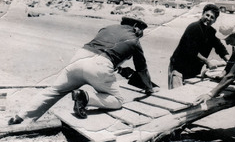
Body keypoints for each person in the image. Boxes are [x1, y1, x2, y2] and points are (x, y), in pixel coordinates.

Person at [8, 16, 154, 125]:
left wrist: (116, 68)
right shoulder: (135, 40)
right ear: (136, 26)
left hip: (79, 57)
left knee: (53, 90)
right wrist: (149, 89)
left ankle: (20, 117)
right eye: (142, 30)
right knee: (118, 100)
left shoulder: (107, 28)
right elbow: (142, 68)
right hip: (100, 65)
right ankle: (85, 97)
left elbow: (101, 49)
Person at [168, 4, 229, 89]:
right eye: (207, 15)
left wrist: (229, 61)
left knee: (189, 91)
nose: (208, 19)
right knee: (177, 93)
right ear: (202, 14)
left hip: (194, 68)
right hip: (179, 67)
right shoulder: (193, 27)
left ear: (215, 20)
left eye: (212, 17)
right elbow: (191, 50)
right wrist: (207, 61)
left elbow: (220, 48)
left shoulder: (211, 32)